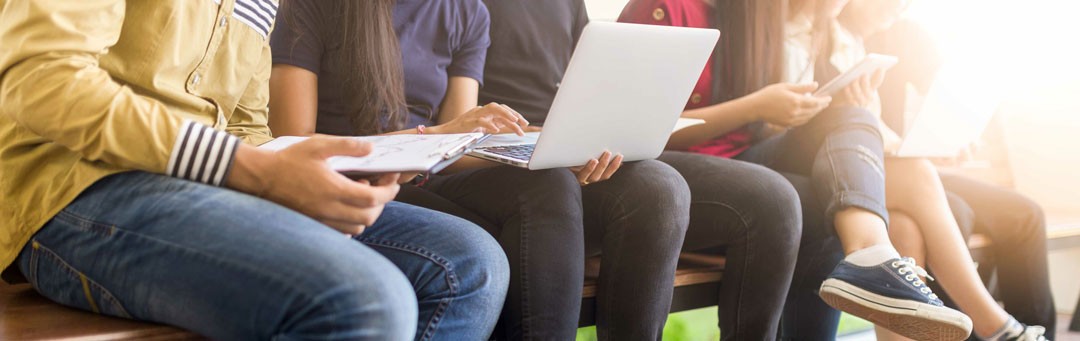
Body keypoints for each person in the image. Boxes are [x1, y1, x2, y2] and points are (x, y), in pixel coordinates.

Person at [0, 1, 510, 340]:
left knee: (472, 263)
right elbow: (41, 79)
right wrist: (249, 170)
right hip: (75, 188)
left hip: (208, 187)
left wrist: (333, 168)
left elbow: (248, 127)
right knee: (367, 299)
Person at [267, 0, 692, 339]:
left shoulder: (467, 11)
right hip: (352, 182)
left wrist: (551, 152)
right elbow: (295, 143)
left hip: (426, 174)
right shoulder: (312, 6)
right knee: (516, 226)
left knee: (549, 183)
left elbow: (455, 149)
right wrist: (436, 134)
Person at [621, 0, 975, 339]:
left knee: (851, 120)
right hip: (681, 169)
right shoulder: (669, 9)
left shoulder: (750, 16)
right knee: (815, 201)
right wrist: (756, 107)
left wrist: (787, 112)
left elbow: (757, 129)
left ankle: (872, 254)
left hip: (745, 155)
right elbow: (640, 129)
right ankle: (874, 260)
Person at [841, 0, 1055, 339]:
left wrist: (951, 133)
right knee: (953, 211)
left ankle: (1031, 334)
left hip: (910, 163)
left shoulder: (905, 32)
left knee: (1025, 216)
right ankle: (989, 330)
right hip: (875, 172)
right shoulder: (829, 31)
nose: (898, 7)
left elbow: (945, 91)